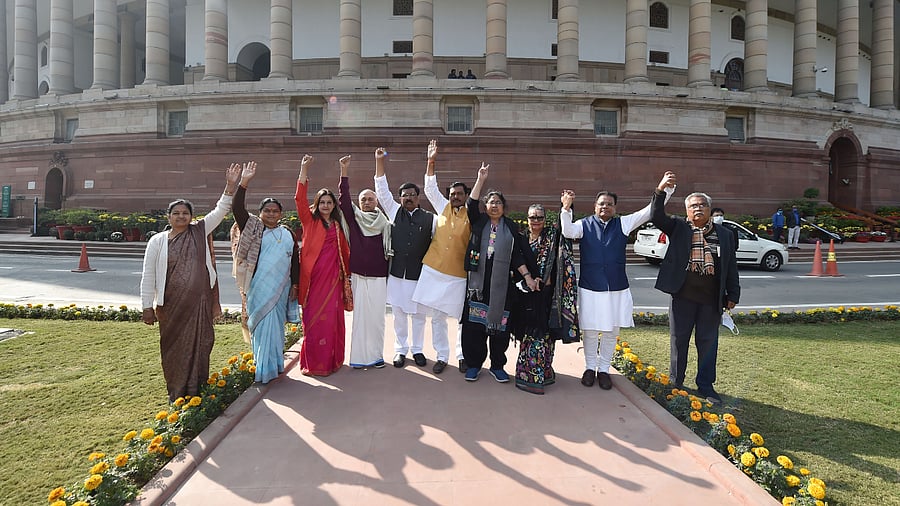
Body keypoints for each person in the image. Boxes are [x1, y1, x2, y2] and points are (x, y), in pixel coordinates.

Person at [560, 174, 674, 391]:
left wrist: (663, 191)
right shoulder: (584, 225)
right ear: (595, 206)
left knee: (611, 332)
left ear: (615, 207)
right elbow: (567, 231)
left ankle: (604, 370)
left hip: (616, 287)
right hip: (591, 286)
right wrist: (566, 208)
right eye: (601, 204)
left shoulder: (623, 223)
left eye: (609, 204)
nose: (605, 207)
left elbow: (648, 211)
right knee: (591, 331)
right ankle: (589, 367)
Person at [141, 163, 241, 402]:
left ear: (191, 217)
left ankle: (197, 388)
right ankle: (176, 390)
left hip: (199, 304)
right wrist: (147, 306)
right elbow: (149, 276)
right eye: (176, 213)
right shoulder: (157, 241)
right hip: (171, 307)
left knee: (201, 344)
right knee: (173, 350)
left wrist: (230, 186)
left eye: (185, 213)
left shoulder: (199, 231)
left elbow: (221, 210)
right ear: (169, 217)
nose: (181, 216)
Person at [650, 173, 741, 404]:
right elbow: (656, 216)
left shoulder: (726, 235)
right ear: (687, 211)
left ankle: (706, 386)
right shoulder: (679, 228)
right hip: (682, 297)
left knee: (708, 342)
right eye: (693, 206)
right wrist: (660, 190)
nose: (698, 208)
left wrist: (733, 293)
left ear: (710, 209)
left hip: (711, 300)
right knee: (679, 340)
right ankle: (676, 382)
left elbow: (731, 266)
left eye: (702, 205)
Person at [462, 164, 539, 383]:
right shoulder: (479, 222)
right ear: (485, 206)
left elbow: (518, 257)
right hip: (478, 285)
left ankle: (497, 365)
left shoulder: (511, 228)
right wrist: (480, 179)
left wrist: (527, 277)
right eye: (491, 202)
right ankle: (474, 365)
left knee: (500, 329)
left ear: (504, 207)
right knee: (474, 327)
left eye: (498, 202)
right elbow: (470, 204)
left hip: (502, 287)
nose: (494, 205)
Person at [231, 161, 300, 384]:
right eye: (267, 210)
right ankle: (263, 370)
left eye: (275, 211)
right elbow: (237, 209)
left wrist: (296, 285)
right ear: (260, 213)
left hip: (282, 289)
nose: (271, 214)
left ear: (281, 213)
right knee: (261, 330)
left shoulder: (287, 232)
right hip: (258, 289)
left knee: (277, 330)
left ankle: (276, 365)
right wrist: (244, 182)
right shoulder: (253, 227)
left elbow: (295, 262)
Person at [374, 150, 436, 369]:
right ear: (400, 198)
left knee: (419, 315)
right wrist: (379, 161)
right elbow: (381, 191)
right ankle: (400, 350)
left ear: (418, 198)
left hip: (420, 275)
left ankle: (418, 350)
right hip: (398, 274)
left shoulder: (431, 219)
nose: (408, 198)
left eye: (412, 195)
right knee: (399, 314)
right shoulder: (394, 212)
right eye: (404, 195)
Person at [413, 139, 471, 374]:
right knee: (436, 316)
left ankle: (461, 355)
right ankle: (441, 355)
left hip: (458, 273)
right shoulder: (443, 207)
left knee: (459, 318)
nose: (455, 196)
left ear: (466, 195)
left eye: (459, 193)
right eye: (452, 193)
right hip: (434, 268)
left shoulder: (473, 215)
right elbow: (429, 188)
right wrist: (431, 160)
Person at [511, 204, 579, 394]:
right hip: (528, 295)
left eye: (540, 217)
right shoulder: (522, 238)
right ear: (527, 219)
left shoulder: (552, 236)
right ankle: (529, 376)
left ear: (545, 219)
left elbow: (562, 226)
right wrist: (529, 278)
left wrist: (566, 206)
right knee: (532, 334)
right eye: (532, 217)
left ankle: (544, 372)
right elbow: (517, 259)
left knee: (547, 335)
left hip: (548, 296)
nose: (536, 221)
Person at [294, 154, 352, 377]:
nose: (326, 205)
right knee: (314, 321)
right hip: (314, 281)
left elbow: (344, 253)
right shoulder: (310, 221)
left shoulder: (338, 225)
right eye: (322, 202)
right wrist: (304, 169)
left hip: (334, 281)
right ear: (317, 205)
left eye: (329, 202)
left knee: (332, 322)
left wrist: (343, 171)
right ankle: (314, 364)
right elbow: (299, 199)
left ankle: (332, 361)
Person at [338, 152, 392, 369]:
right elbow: (343, 200)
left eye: (370, 199)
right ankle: (360, 359)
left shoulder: (386, 223)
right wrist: (344, 172)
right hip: (359, 274)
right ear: (359, 204)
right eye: (363, 200)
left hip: (379, 276)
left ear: (376, 201)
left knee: (377, 319)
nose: (367, 202)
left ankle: (376, 356)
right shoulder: (354, 219)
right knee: (361, 318)